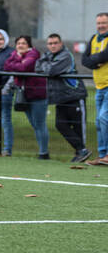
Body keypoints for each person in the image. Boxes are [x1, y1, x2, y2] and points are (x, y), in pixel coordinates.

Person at [35, 33, 91, 162]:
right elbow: (37, 67)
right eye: (50, 43)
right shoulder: (48, 56)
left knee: (78, 127)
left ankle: (81, 151)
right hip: (60, 98)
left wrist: (45, 65)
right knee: (60, 125)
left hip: (74, 96)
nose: (53, 46)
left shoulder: (66, 56)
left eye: (55, 43)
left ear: (61, 44)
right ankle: (81, 150)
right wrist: (46, 65)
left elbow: (51, 71)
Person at [4, 35, 49, 159]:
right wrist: (19, 61)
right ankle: (42, 150)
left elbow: (24, 67)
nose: (20, 45)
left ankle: (43, 153)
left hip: (37, 95)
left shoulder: (34, 54)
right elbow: (6, 66)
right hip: (23, 95)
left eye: (23, 43)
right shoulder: (15, 54)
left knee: (40, 124)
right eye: (18, 43)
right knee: (34, 124)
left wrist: (17, 62)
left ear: (29, 45)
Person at [82, 12, 108, 166]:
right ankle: (102, 154)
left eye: (104, 22)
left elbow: (105, 55)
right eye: (99, 23)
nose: (101, 26)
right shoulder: (93, 39)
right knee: (98, 121)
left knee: (105, 118)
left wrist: (96, 59)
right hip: (99, 86)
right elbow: (84, 60)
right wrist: (96, 60)